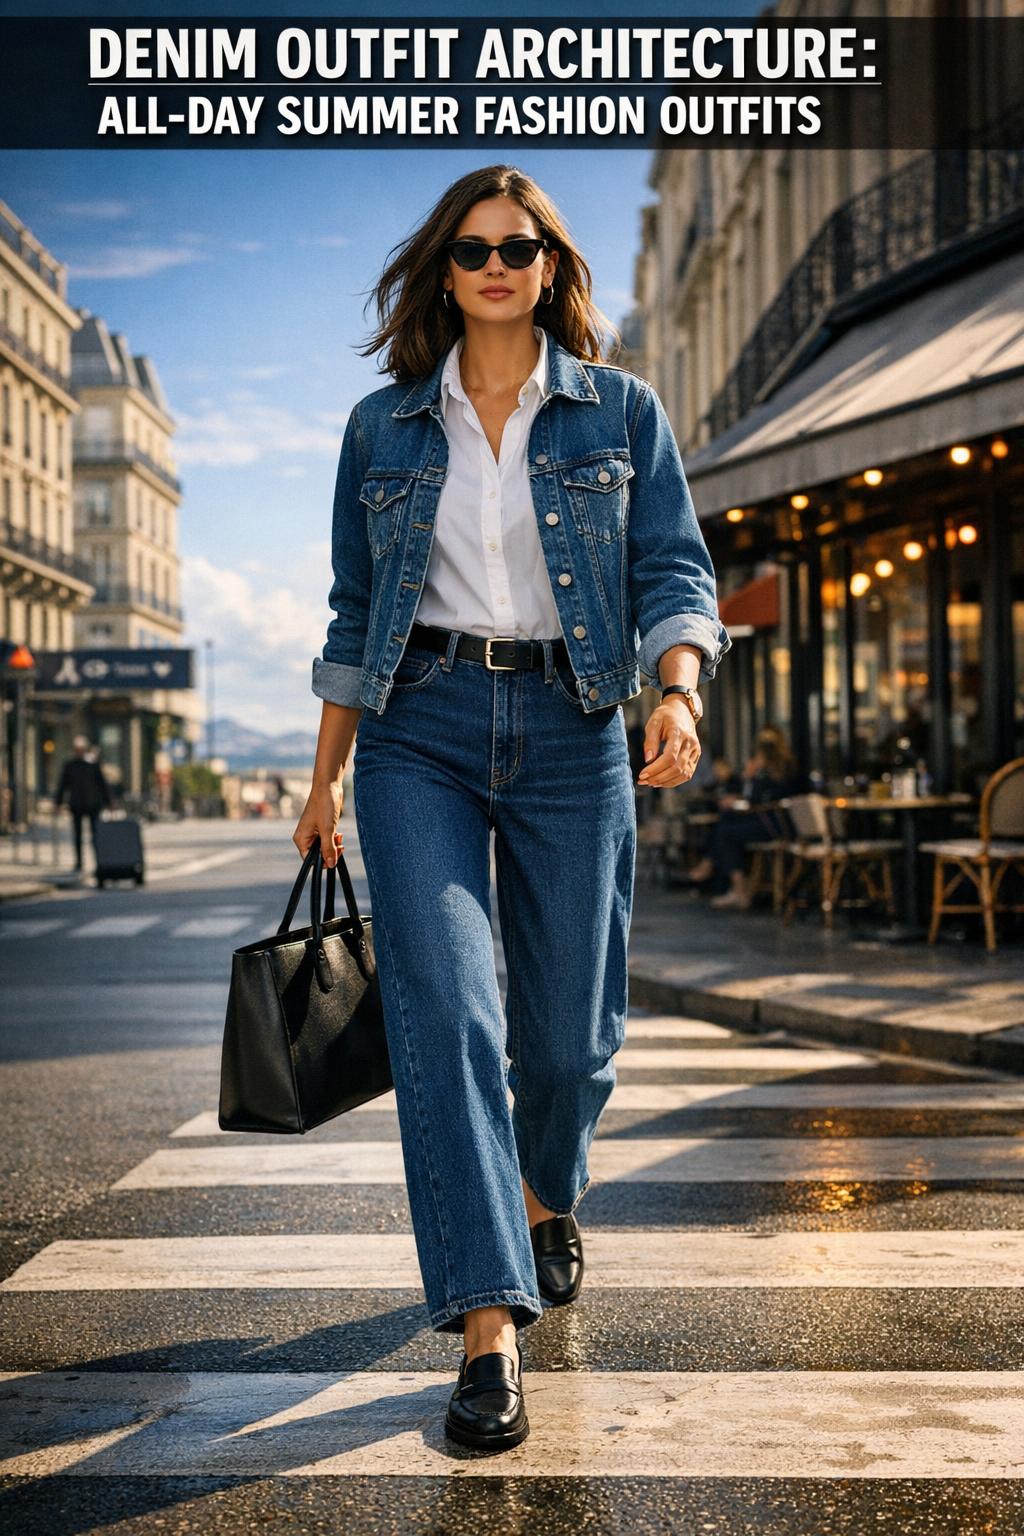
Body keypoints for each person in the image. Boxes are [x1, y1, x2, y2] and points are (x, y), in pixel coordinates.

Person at [292, 165, 730, 1452]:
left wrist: (676, 689)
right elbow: (352, 615)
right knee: (447, 1014)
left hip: (573, 722)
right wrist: (323, 777)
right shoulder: (381, 427)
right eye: (473, 249)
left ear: (549, 268)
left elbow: (673, 568)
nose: (495, 266)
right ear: (445, 271)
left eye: (517, 248)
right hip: (417, 728)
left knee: (570, 1041)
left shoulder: (620, 412)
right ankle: (489, 1326)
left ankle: (547, 1195)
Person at [686, 725, 806, 908]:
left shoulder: (784, 768)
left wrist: (751, 777)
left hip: (778, 825)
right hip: (769, 821)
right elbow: (756, 799)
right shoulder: (776, 767)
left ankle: (735, 885)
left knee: (727, 832)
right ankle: (720, 873)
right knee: (726, 819)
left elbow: (763, 798)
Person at [55, 734, 112, 872]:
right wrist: (58, 802)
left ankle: (99, 861)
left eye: (81, 749)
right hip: (76, 804)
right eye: (76, 749)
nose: (78, 752)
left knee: (96, 834)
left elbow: (102, 784)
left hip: (93, 804)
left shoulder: (93, 764)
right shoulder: (70, 766)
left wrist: (109, 801)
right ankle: (79, 862)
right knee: (77, 835)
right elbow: (63, 785)